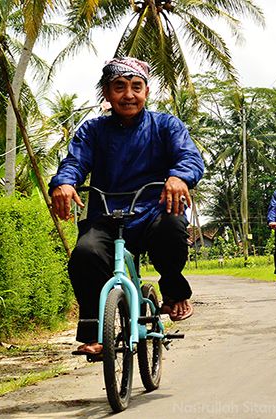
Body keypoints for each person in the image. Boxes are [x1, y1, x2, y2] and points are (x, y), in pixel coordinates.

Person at [49, 57, 205, 355]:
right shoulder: (92, 131)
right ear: (107, 94)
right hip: (107, 216)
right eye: (119, 87)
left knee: (173, 228)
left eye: (136, 87)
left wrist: (178, 177)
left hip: (154, 212)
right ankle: (95, 333)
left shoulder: (166, 125)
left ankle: (173, 293)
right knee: (85, 254)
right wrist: (64, 183)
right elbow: (74, 162)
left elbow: (190, 158)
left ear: (146, 91)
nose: (128, 95)